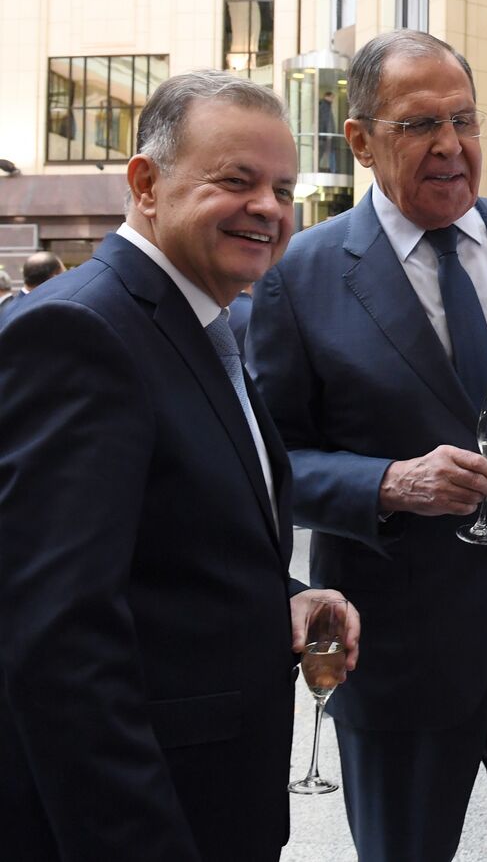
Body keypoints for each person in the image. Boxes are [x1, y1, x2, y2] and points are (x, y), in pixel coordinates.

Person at [247, 30, 487, 862]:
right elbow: (271, 467)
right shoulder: (298, 275)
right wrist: (388, 483)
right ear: (360, 140)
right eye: (421, 124)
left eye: (465, 118)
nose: (452, 145)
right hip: (398, 642)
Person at [0, 71, 359, 862]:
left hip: (218, 797)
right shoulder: (82, 331)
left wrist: (285, 598)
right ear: (146, 183)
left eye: (282, 187)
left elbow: (166, 547)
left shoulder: (202, 323)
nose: (268, 206)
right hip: (153, 814)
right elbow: (60, 643)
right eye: (237, 179)